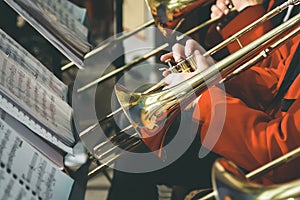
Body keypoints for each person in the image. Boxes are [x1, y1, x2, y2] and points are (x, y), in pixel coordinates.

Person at [106, 0, 289, 199]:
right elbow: (276, 79)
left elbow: (278, 153)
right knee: (133, 156)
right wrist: (213, 70)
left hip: (254, 154)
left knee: (135, 162)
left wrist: (205, 92)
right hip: (244, 127)